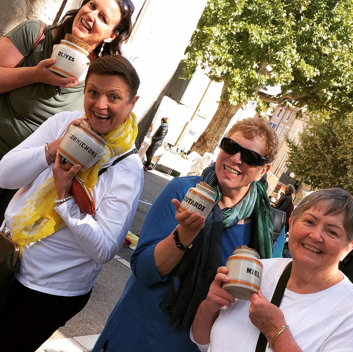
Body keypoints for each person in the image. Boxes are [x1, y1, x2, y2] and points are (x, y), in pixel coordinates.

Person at [92, 117, 279, 352]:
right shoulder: (184, 191)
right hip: (137, 334)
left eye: (250, 157)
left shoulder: (265, 226)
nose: (236, 158)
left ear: (265, 170)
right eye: (231, 146)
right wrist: (184, 234)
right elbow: (144, 270)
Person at [0, 54, 143, 352]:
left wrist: (65, 197)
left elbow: (105, 249)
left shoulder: (127, 168)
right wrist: (54, 148)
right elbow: (4, 175)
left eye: (113, 97)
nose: (100, 105)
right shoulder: (65, 123)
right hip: (5, 255)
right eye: (93, 92)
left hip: (48, 291)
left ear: (132, 103)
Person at [0, 0, 135, 222]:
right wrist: (35, 74)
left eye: (103, 18)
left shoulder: (98, 80)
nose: (91, 15)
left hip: (31, 180)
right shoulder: (37, 34)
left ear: (111, 35)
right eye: (92, 5)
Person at [191, 188, 353, 352]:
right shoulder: (257, 269)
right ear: (292, 223)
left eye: (332, 232)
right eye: (309, 222)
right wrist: (209, 306)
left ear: (348, 248)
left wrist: (277, 332)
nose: (316, 236)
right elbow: (203, 343)